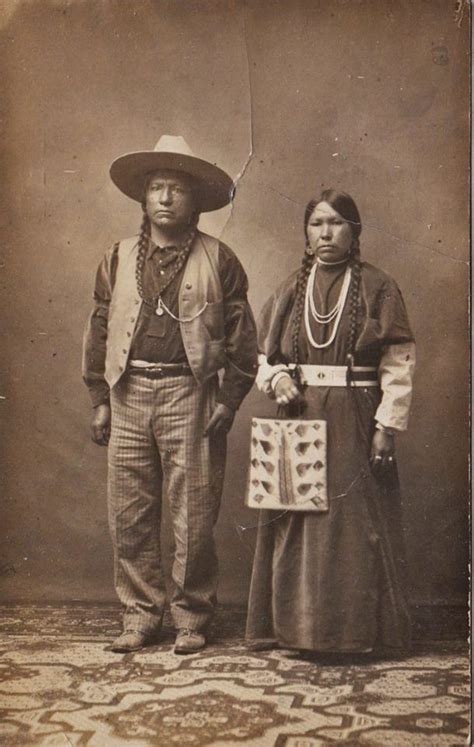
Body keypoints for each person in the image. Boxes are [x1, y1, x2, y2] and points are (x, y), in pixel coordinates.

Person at [83, 135, 257, 654]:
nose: (164, 198)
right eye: (156, 188)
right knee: (129, 512)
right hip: (128, 390)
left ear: (195, 201)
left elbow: (243, 338)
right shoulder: (116, 258)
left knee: (194, 514)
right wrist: (99, 396)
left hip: (191, 392)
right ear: (143, 198)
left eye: (176, 189)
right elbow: (97, 328)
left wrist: (227, 401)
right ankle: (139, 615)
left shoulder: (220, 258)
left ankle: (191, 618)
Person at [245, 189, 415, 655]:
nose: (326, 233)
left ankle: (356, 635)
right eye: (317, 223)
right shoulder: (289, 289)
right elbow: (260, 354)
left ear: (354, 232)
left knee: (352, 523)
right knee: (298, 522)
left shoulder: (378, 287)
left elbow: (398, 362)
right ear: (305, 233)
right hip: (298, 413)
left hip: (356, 414)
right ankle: (297, 631)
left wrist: (387, 426)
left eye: (337, 223)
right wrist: (276, 377)